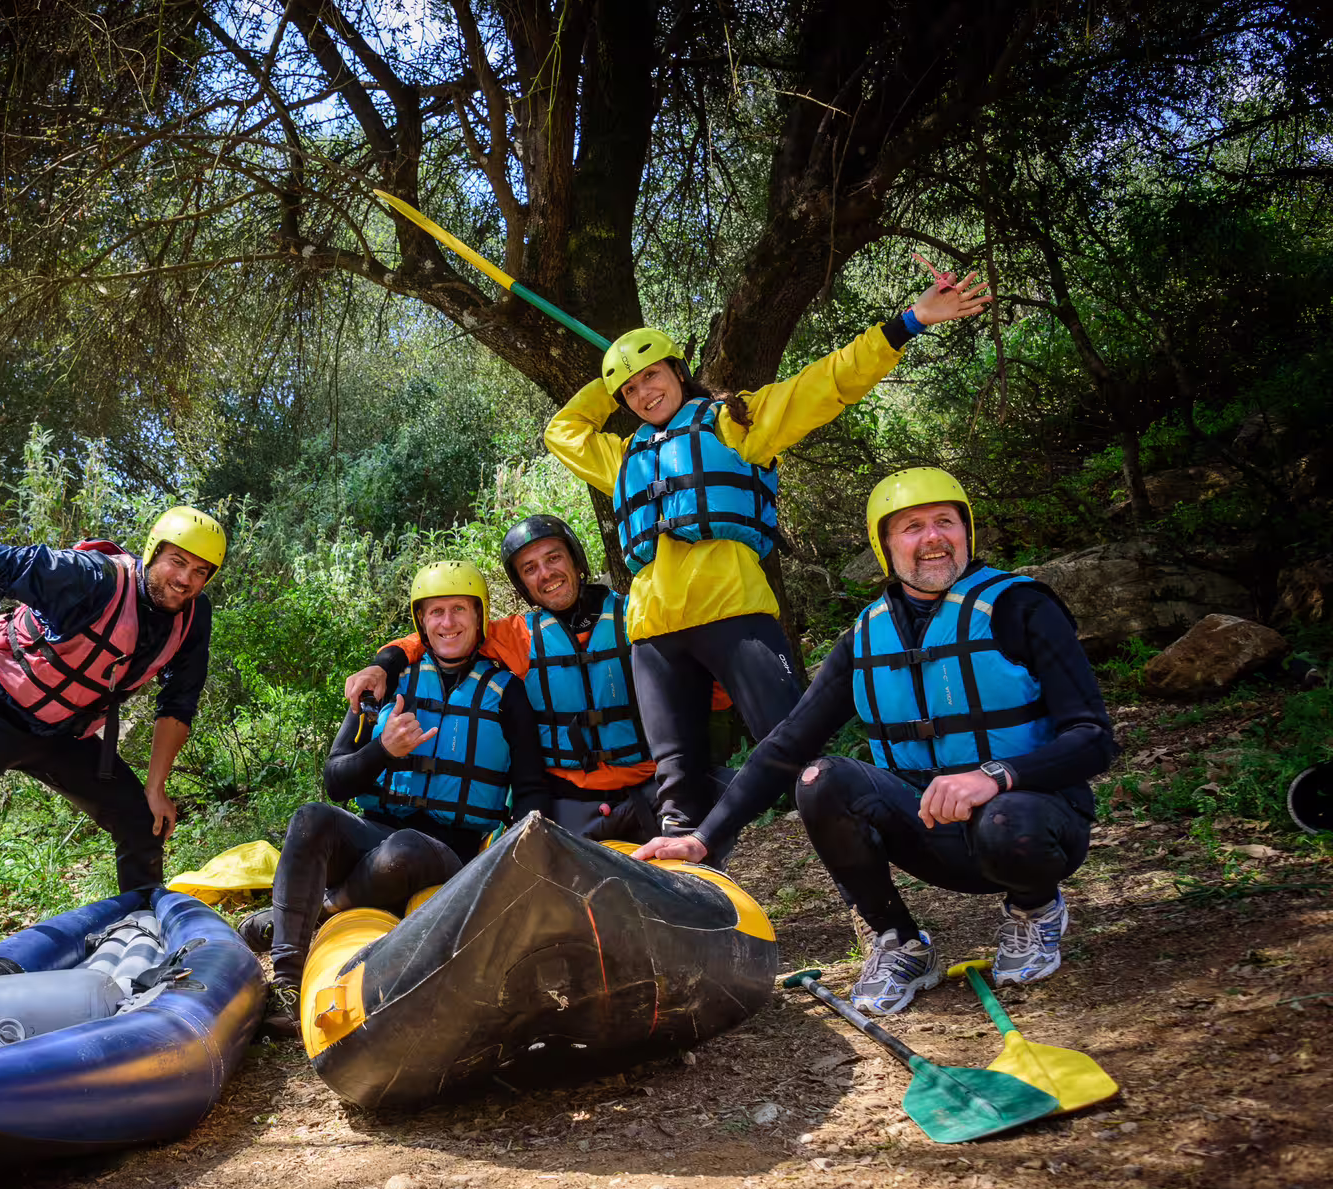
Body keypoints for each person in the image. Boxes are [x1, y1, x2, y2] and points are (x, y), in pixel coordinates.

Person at [544, 272, 992, 860]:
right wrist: (614, 373)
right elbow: (562, 431)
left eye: (651, 375)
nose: (643, 394)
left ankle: (871, 901)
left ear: (678, 370)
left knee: (801, 761)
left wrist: (909, 322)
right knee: (677, 788)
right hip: (653, 634)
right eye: (629, 391)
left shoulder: (736, 422)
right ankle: (695, 908)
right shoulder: (621, 455)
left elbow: (825, 383)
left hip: (734, 611)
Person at [653, 469, 1118, 1014]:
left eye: (945, 522)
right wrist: (703, 840)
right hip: (929, 831)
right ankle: (900, 942)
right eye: (912, 527)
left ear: (967, 531)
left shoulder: (1023, 608)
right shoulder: (867, 634)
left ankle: (1035, 909)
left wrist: (993, 776)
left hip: (1029, 821)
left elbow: (1093, 739)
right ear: (885, 546)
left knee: (1005, 820)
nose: (933, 538)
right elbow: (786, 744)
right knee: (819, 779)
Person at [0, 506, 225, 996]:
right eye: (177, 562)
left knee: (141, 821)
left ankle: (142, 958)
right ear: (153, 553)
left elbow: (178, 702)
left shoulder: (191, 619)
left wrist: (156, 786)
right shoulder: (89, 579)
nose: (185, 580)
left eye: (200, 572)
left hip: (62, 733)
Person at [247, 559, 551, 1037]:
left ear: (479, 616)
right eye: (435, 612)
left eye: (458, 611)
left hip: (447, 850)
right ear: (421, 622)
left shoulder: (506, 692)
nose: (447, 623)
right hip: (373, 832)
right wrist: (383, 750)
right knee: (310, 818)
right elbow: (336, 780)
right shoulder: (385, 683)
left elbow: (531, 786)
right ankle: (286, 981)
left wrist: (517, 857)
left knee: (405, 848)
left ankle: (327, 907)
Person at [342, 515, 734, 842]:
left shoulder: (640, 613)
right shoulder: (516, 637)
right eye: (530, 569)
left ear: (576, 560)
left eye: (553, 558)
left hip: (654, 792)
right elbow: (444, 635)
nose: (546, 574)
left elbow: (714, 692)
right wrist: (385, 664)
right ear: (522, 584)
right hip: (570, 805)